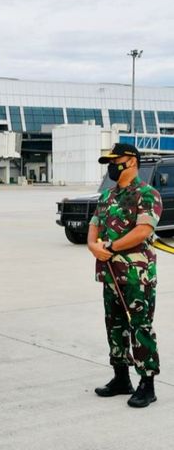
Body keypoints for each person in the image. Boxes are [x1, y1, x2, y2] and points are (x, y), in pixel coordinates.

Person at [88, 143, 162, 408]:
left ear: (130, 162)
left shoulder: (147, 194)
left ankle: (147, 384)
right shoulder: (107, 196)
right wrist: (93, 246)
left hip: (136, 275)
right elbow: (94, 226)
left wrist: (110, 247)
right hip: (110, 273)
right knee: (115, 325)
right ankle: (121, 378)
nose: (111, 166)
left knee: (140, 326)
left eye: (115, 160)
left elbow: (143, 230)